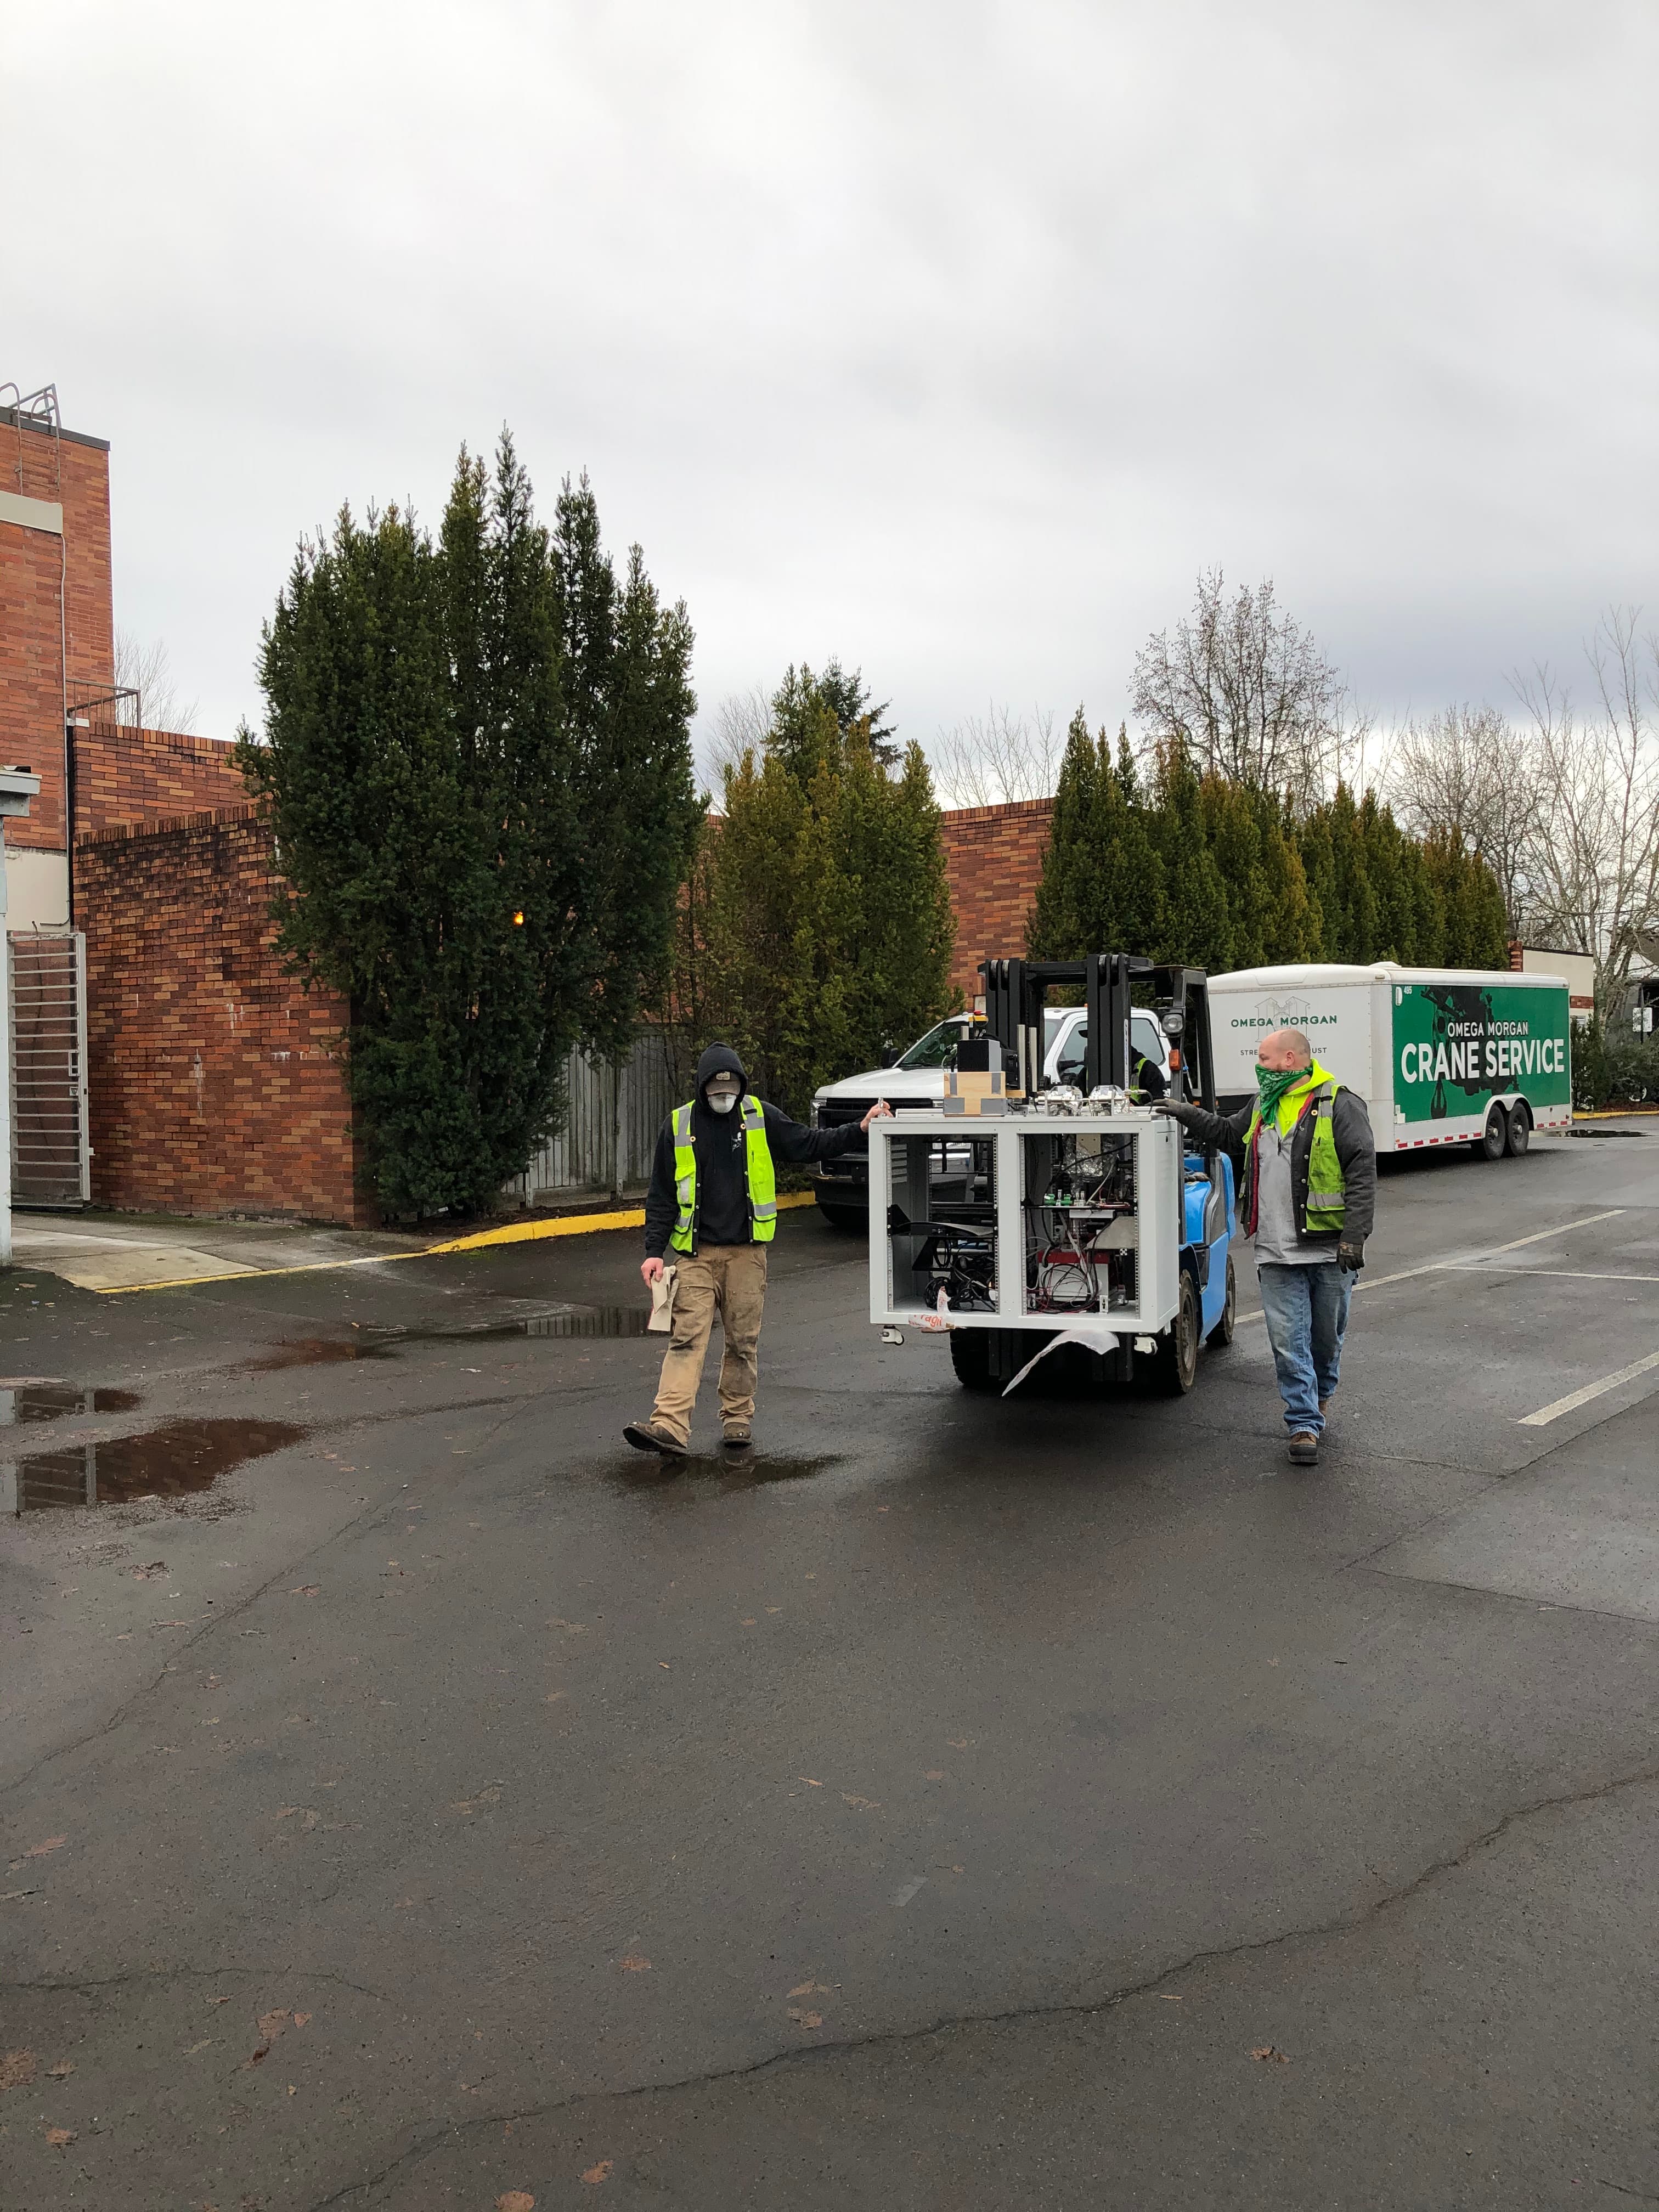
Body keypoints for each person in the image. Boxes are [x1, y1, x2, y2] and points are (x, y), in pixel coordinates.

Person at [624, 1045, 893, 1458]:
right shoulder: (678, 1124)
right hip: (694, 1256)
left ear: (741, 1085)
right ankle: (669, 1426)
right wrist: (653, 1251)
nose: (724, 1095)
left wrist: (860, 1128)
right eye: (717, 1088)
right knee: (685, 1340)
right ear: (703, 1087)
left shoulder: (758, 1116)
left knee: (742, 1342)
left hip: (746, 1256)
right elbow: (661, 1195)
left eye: (731, 1087)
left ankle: (737, 1419)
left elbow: (808, 1144)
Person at [1154, 1026, 1374, 1466]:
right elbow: (1228, 1135)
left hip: (1330, 1251)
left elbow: (1362, 1172)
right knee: (1288, 1341)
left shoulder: (1341, 1104)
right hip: (1276, 1251)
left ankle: (1321, 1395)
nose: (1260, 1067)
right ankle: (1304, 1423)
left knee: (1325, 1340)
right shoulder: (1263, 1106)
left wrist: (1354, 1236)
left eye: (1266, 1059)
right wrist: (1184, 1113)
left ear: (1290, 1060)